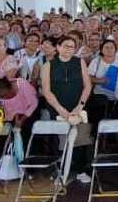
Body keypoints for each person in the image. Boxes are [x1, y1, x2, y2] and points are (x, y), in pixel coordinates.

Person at [40, 36, 93, 184]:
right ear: (58, 47)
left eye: (71, 46)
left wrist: (80, 105)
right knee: (60, 141)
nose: (68, 49)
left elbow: (87, 86)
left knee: (81, 139)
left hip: (78, 106)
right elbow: (46, 91)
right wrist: (60, 109)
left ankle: (81, 170)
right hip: (57, 107)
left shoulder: (80, 62)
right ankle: (62, 171)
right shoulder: (48, 65)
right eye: (65, 46)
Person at [0, 76, 39, 147]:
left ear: (11, 88)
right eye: (2, 97)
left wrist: (21, 120)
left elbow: (34, 103)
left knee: (26, 129)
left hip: (27, 114)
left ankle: (25, 152)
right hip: (9, 117)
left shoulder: (22, 84)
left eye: (6, 95)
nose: (5, 98)